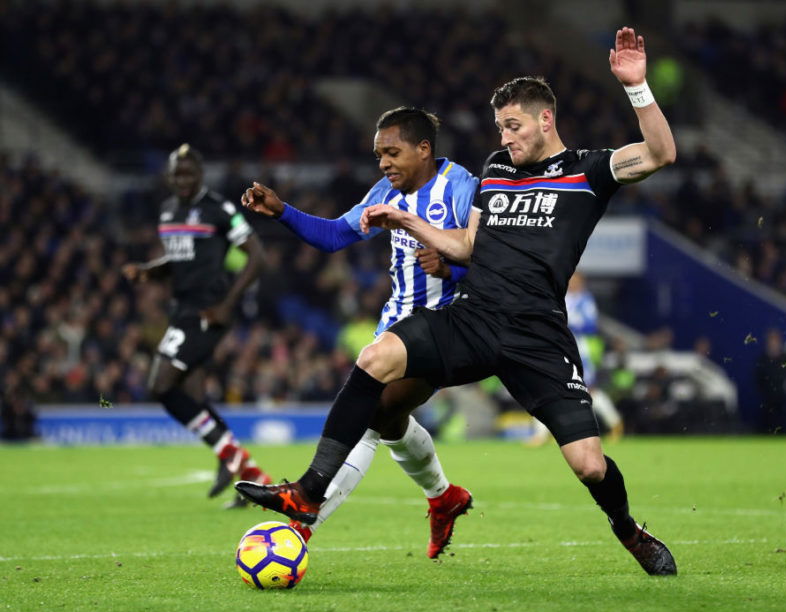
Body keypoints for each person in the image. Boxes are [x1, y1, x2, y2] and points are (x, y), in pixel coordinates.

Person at [238, 27, 678, 576]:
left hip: (537, 333)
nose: (505, 137)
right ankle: (307, 493)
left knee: (589, 465)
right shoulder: (496, 170)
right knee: (375, 359)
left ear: (546, 120)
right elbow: (467, 245)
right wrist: (405, 220)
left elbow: (661, 153)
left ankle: (628, 530)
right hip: (473, 317)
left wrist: (636, 87)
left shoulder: (587, 170)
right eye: (501, 127)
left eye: (513, 126)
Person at [241, 107, 478, 558]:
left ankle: (300, 527)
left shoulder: (461, 187)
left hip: (445, 328)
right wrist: (281, 211)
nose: (384, 163)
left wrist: (452, 269)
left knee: (369, 419)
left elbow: (490, 255)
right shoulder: (388, 190)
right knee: (389, 424)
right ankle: (443, 497)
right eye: (379, 155)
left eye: (392, 152)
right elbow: (335, 236)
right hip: (395, 327)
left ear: (423, 149)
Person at [122, 144, 271, 507]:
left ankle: (229, 456)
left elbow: (257, 257)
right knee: (192, 398)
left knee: (161, 386)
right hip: (182, 310)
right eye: (177, 174)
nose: (183, 180)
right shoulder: (168, 210)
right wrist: (148, 271)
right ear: (169, 176)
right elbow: (179, 259)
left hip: (207, 312)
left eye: (189, 173)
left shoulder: (219, 209)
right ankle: (252, 478)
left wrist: (227, 304)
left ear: (201, 174)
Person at [527, 272, 623, 445]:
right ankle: (540, 433)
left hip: (581, 348)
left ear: (581, 283)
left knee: (588, 389)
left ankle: (614, 423)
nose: (571, 283)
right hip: (558, 346)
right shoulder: (559, 296)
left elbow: (590, 324)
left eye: (575, 281)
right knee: (546, 385)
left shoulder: (585, 300)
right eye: (570, 280)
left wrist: (567, 322)